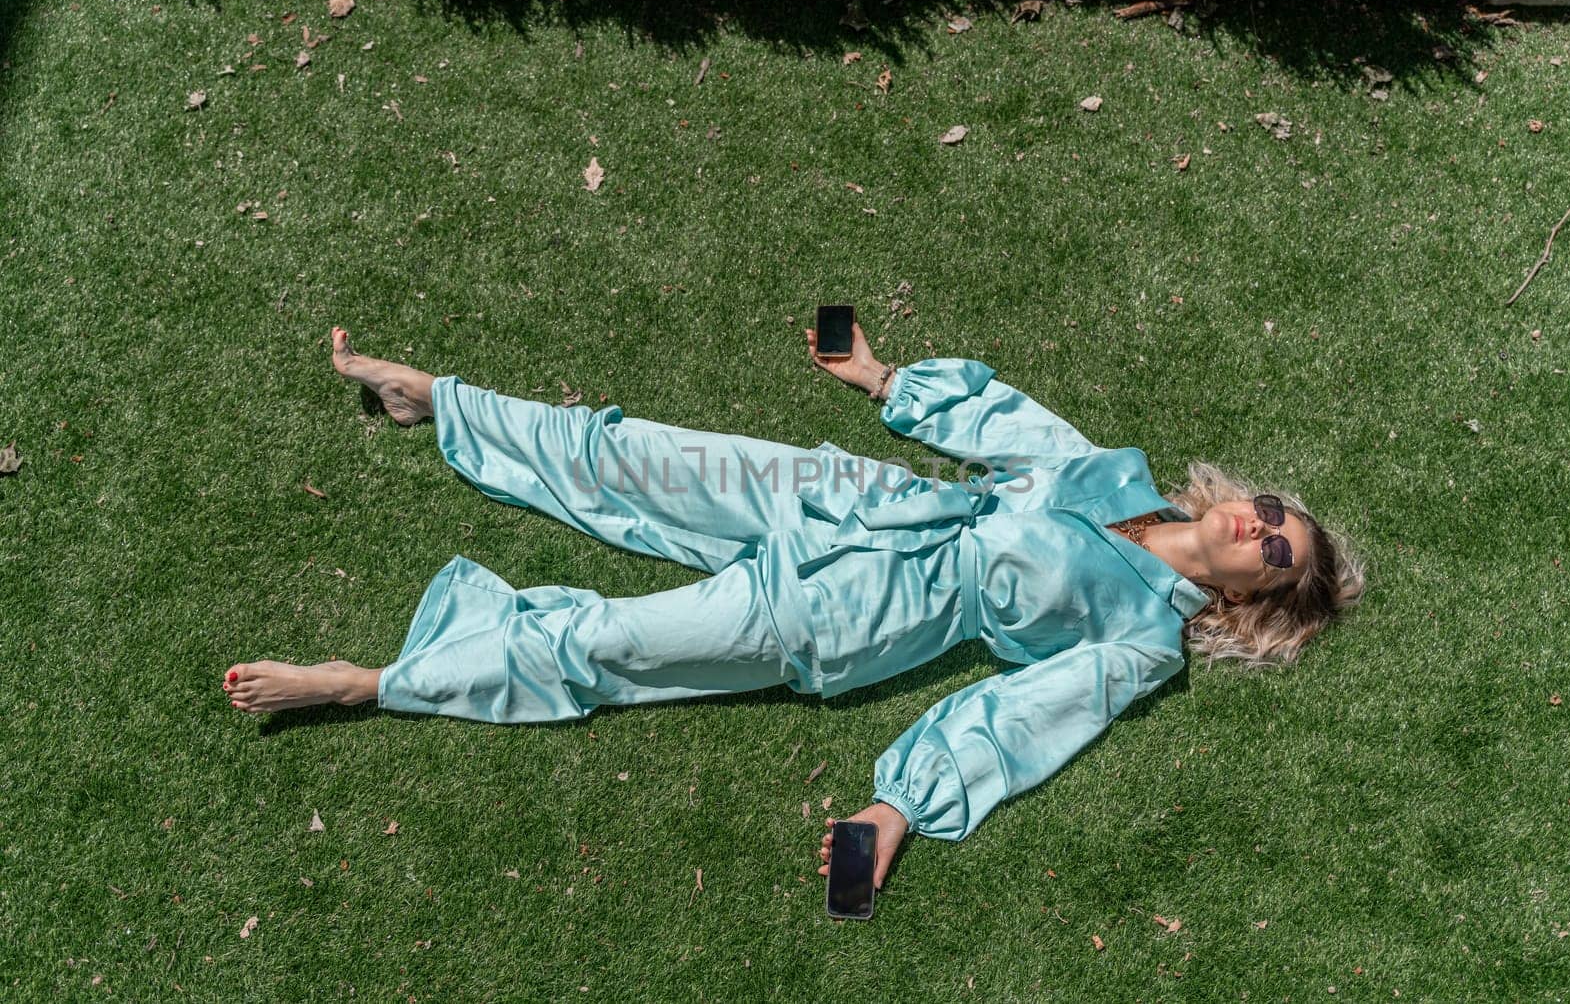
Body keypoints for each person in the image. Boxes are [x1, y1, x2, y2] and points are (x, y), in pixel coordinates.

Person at [222, 324, 1365, 889]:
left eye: (1272, 554)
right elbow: (1005, 425)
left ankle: (374, 679)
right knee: (641, 457)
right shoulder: (1112, 472)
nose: (1260, 527)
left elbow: (1021, 718)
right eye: (1273, 514)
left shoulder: (1141, 641)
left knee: (622, 644)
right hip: (856, 496)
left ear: (1245, 599)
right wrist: (878, 379)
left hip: (862, 613)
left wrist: (896, 812)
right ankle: (442, 403)